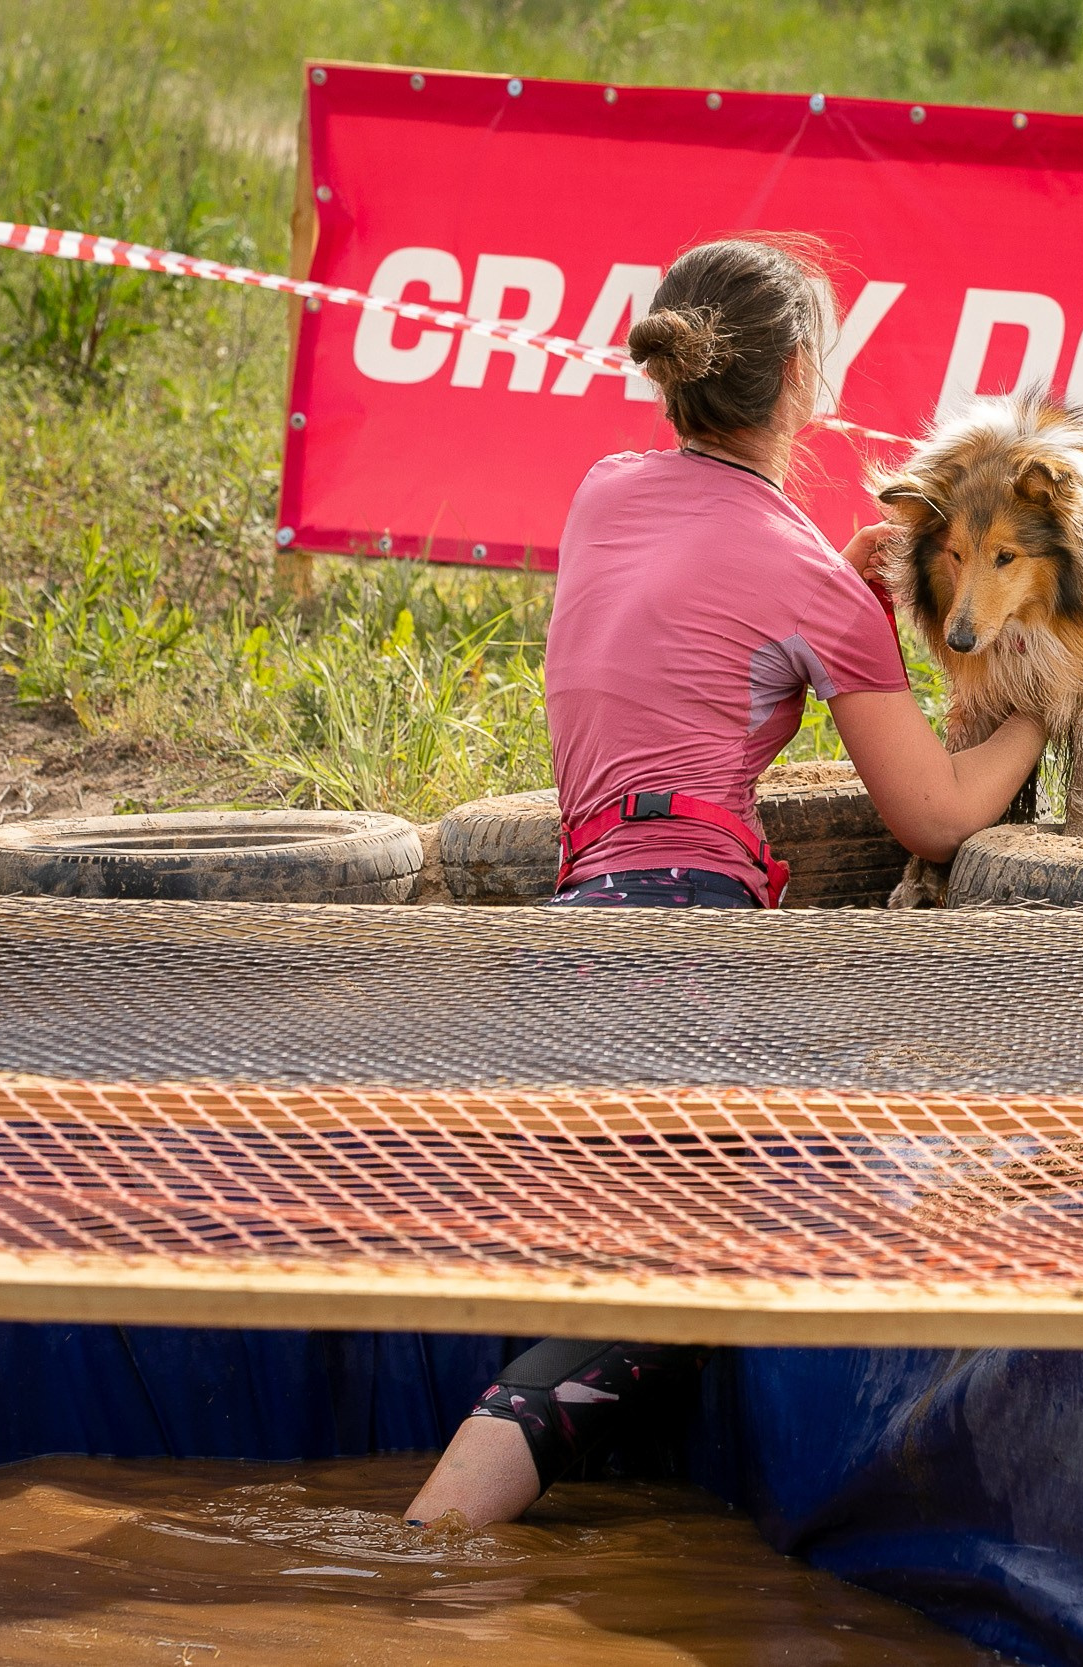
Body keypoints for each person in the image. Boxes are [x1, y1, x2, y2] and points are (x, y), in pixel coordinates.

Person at [403, 236, 1045, 1527]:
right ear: (805, 375)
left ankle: (468, 1548)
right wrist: (1039, 707)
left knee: (583, 1299)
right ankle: (426, 1554)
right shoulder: (813, 576)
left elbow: (698, 610)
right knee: (661, 1295)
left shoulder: (603, 492)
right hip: (691, 952)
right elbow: (931, 814)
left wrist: (846, 590)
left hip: (571, 943)